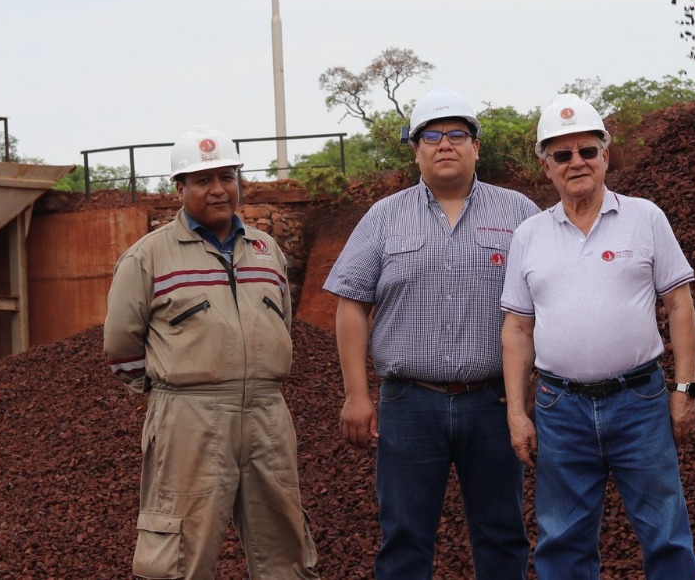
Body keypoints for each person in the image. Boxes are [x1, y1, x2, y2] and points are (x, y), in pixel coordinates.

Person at [323, 85, 539, 579]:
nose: (445, 144)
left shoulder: (519, 214)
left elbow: (542, 305)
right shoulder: (383, 217)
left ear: (476, 147)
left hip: (494, 404)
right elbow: (351, 304)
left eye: (457, 134)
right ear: (416, 149)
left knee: (503, 533)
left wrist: (530, 396)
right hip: (409, 403)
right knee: (403, 537)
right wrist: (356, 394)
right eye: (432, 135)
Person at [501, 93, 695, 580]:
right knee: (562, 540)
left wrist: (684, 390)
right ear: (545, 166)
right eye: (562, 154)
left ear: (606, 155)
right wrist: (516, 412)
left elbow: (680, 304)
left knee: (666, 533)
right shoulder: (529, 235)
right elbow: (517, 328)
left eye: (587, 151)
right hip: (559, 408)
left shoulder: (645, 217)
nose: (577, 163)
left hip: (640, 401)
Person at [104, 125, 319, 580]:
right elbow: (121, 345)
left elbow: (283, 321)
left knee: (285, 543)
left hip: (267, 413)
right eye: (203, 180)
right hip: (190, 417)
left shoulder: (266, 249)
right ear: (179, 188)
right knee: (179, 549)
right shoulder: (148, 257)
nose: (218, 190)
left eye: (227, 177)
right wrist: (169, 390)